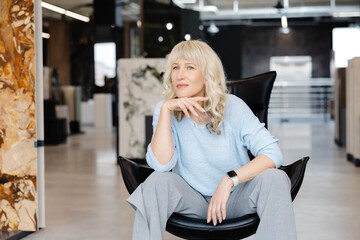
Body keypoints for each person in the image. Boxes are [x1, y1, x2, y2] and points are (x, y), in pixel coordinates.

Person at [127, 40, 296, 240]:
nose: (180, 74)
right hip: (193, 201)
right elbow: (161, 165)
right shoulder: (165, 110)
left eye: (189, 67)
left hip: (235, 199)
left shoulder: (233, 107)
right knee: (156, 182)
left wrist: (229, 180)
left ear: (207, 75)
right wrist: (165, 110)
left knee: (275, 178)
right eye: (175, 67)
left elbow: (273, 154)